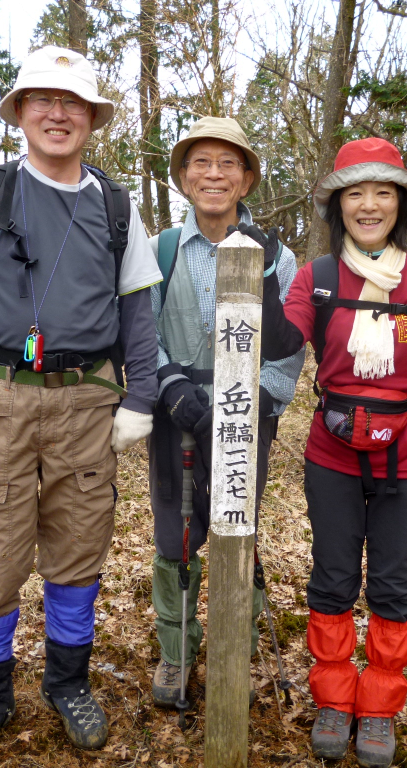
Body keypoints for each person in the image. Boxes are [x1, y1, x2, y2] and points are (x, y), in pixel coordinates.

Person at [0, 46, 161, 767]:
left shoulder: (117, 207)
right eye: (43, 100)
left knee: (79, 548)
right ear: (21, 112)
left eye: (74, 103)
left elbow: (137, 317)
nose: (58, 115)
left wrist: (138, 397)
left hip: (87, 401)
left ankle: (68, 684)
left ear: (92, 119)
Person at [257, 137, 407, 767]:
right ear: (338, 206)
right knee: (332, 577)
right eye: (356, 193)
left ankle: (377, 709)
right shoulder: (318, 278)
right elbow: (278, 342)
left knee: (393, 583)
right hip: (332, 453)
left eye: (383, 193)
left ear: (401, 204)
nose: (369, 205)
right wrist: (264, 276)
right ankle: (333, 697)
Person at [146, 117, 305, 708]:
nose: (214, 175)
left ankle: (239, 643)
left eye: (228, 164)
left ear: (246, 180)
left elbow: (292, 344)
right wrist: (170, 387)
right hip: (175, 413)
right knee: (175, 531)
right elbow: (142, 327)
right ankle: (176, 652)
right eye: (201, 163)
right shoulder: (159, 249)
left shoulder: (276, 257)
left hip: (246, 417)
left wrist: (257, 397)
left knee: (238, 522)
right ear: (184, 179)